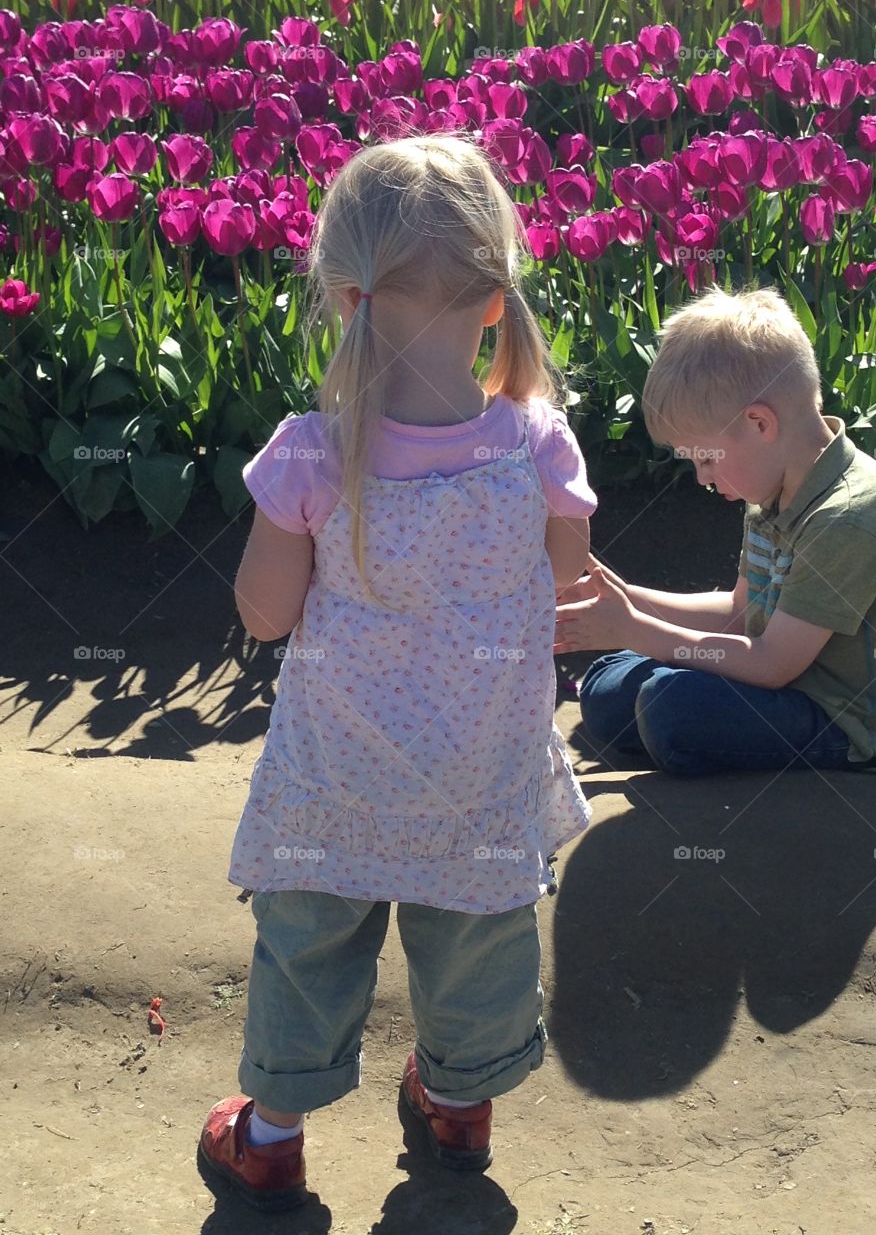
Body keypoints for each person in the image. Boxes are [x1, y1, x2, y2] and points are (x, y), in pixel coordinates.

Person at [197, 134, 597, 1212]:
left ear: (341, 294)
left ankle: (271, 1134)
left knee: (308, 943)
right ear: (491, 300)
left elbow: (267, 614)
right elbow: (570, 593)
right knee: (477, 941)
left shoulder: (309, 457)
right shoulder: (540, 448)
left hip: (335, 781)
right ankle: (459, 1106)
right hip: (479, 772)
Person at [556, 285, 876, 780]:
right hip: (785, 691)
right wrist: (624, 600)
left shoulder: (849, 517)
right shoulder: (773, 492)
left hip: (852, 730)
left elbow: (771, 664)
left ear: (759, 423)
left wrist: (635, 630)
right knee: (607, 690)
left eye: (705, 457)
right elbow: (742, 613)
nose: (702, 478)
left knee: (670, 708)